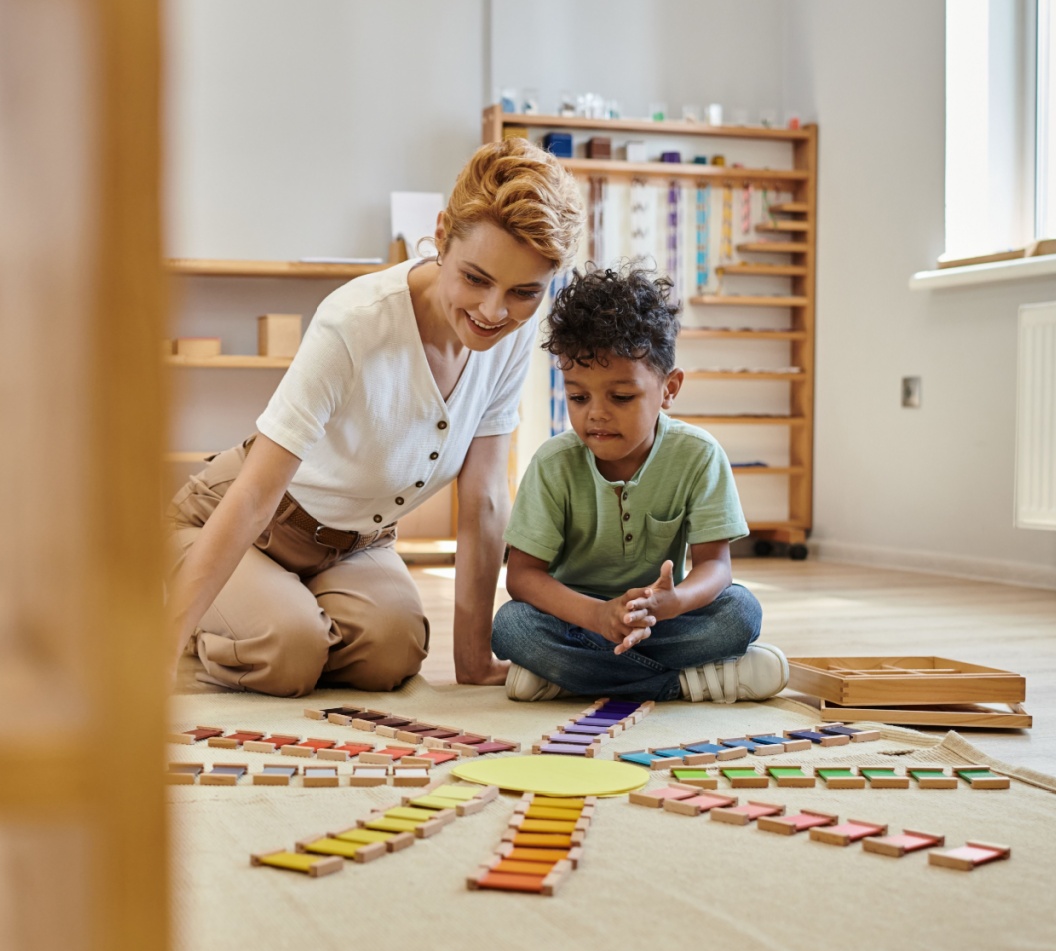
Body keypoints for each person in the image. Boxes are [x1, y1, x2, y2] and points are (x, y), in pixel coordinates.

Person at [166, 137, 585, 697]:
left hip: (356, 544)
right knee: (287, 653)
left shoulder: (513, 331)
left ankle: (281, 614)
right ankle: (191, 601)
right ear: (441, 236)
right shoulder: (355, 322)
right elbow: (252, 495)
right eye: (476, 279)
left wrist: (473, 660)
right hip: (247, 521)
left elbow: (483, 498)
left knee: (392, 653)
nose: (493, 312)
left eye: (523, 292)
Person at [490, 266, 788, 703]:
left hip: (660, 620)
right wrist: (597, 615)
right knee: (512, 626)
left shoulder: (698, 455)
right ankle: (686, 684)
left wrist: (675, 603)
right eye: (578, 397)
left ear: (669, 389)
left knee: (741, 613)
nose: (595, 413)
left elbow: (716, 567)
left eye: (621, 397)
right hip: (575, 616)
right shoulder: (554, 464)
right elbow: (523, 577)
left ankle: (566, 677)